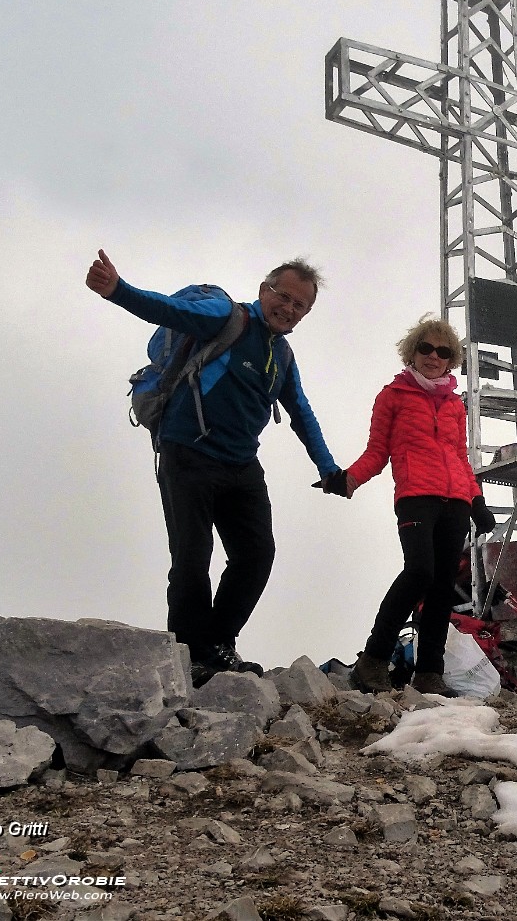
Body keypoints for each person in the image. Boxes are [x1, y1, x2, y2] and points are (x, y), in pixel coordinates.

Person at [85, 250, 348, 687]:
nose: (289, 309)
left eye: (300, 306)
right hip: (187, 451)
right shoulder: (226, 316)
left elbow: (301, 411)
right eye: (283, 296)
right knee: (191, 558)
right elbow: (172, 310)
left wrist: (329, 468)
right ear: (264, 291)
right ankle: (189, 655)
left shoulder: (281, 355)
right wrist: (118, 290)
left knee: (256, 555)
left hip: (241, 463)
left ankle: (217, 644)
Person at [342, 316, 494, 697]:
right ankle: (372, 661)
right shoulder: (392, 396)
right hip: (416, 496)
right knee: (419, 573)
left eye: (443, 352)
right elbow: (377, 452)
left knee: (443, 586)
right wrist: (348, 479)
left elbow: (459, 457)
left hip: (456, 501)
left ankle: (429, 673)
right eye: (426, 348)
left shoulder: (454, 405)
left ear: (451, 360)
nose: (433, 356)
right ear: (412, 351)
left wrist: (477, 500)